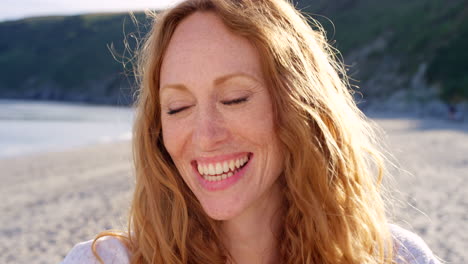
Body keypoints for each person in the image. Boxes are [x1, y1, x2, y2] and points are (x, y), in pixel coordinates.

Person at [62, 0, 441, 263]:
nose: (206, 136)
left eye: (235, 98)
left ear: (299, 107)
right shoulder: (103, 262)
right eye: (178, 107)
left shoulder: (395, 257)